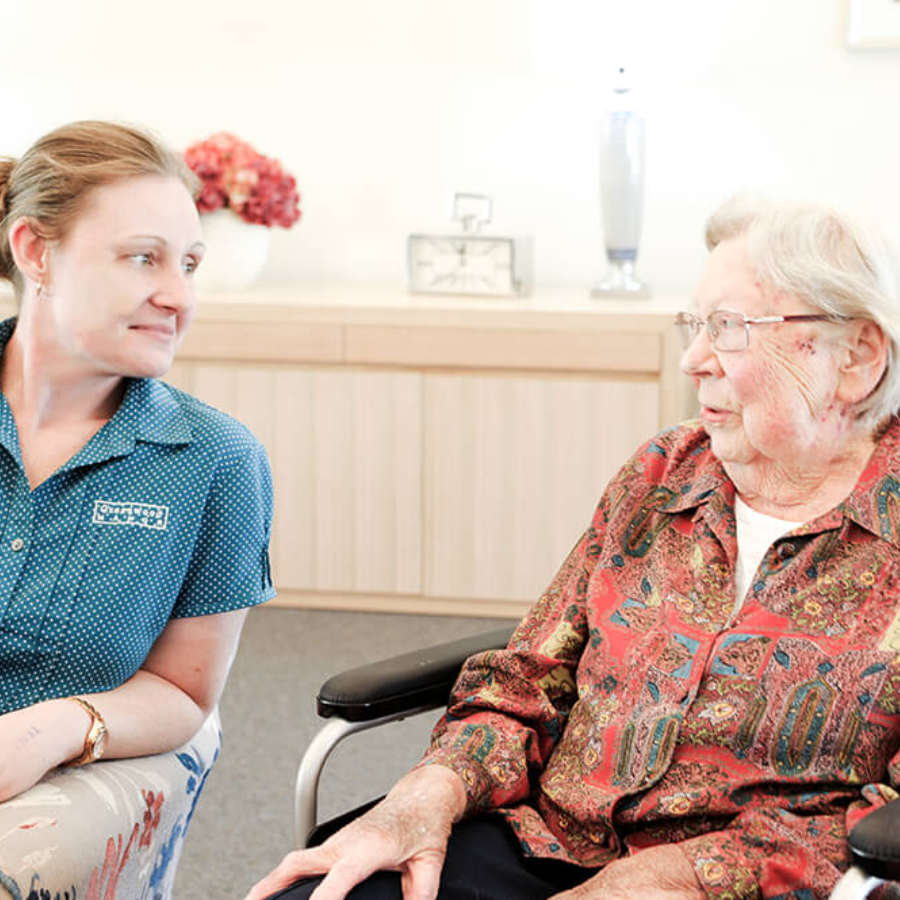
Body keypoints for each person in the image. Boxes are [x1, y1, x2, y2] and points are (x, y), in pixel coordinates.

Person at [247, 194, 900, 900]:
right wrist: (424, 797)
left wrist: (669, 877)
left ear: (856, 357)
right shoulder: (664, 472)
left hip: (740, 883)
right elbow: (527, 681)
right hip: (548, 837)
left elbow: (883, 826)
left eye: (729, 328)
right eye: (694, 325)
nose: (693, 360)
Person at [0, 121, 275, 896]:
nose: (178, 296)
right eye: (143, 258)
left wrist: (53, 728)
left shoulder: (215, 462)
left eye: (189, 264)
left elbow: (185, 692)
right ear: (35, 251)